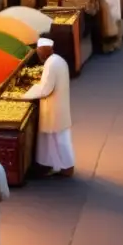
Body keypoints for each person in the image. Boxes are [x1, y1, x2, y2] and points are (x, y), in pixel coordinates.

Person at [21, 38, 74, 177]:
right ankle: (58, 166)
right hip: (58, 106)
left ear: (44, 52)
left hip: (54, 108)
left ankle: (66, 168)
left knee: (57, 140)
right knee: (57, 139)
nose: (38, 55)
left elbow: (45, 89)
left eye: (39, 52)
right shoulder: (57, 60)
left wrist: (25, 95)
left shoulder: (51, 65)